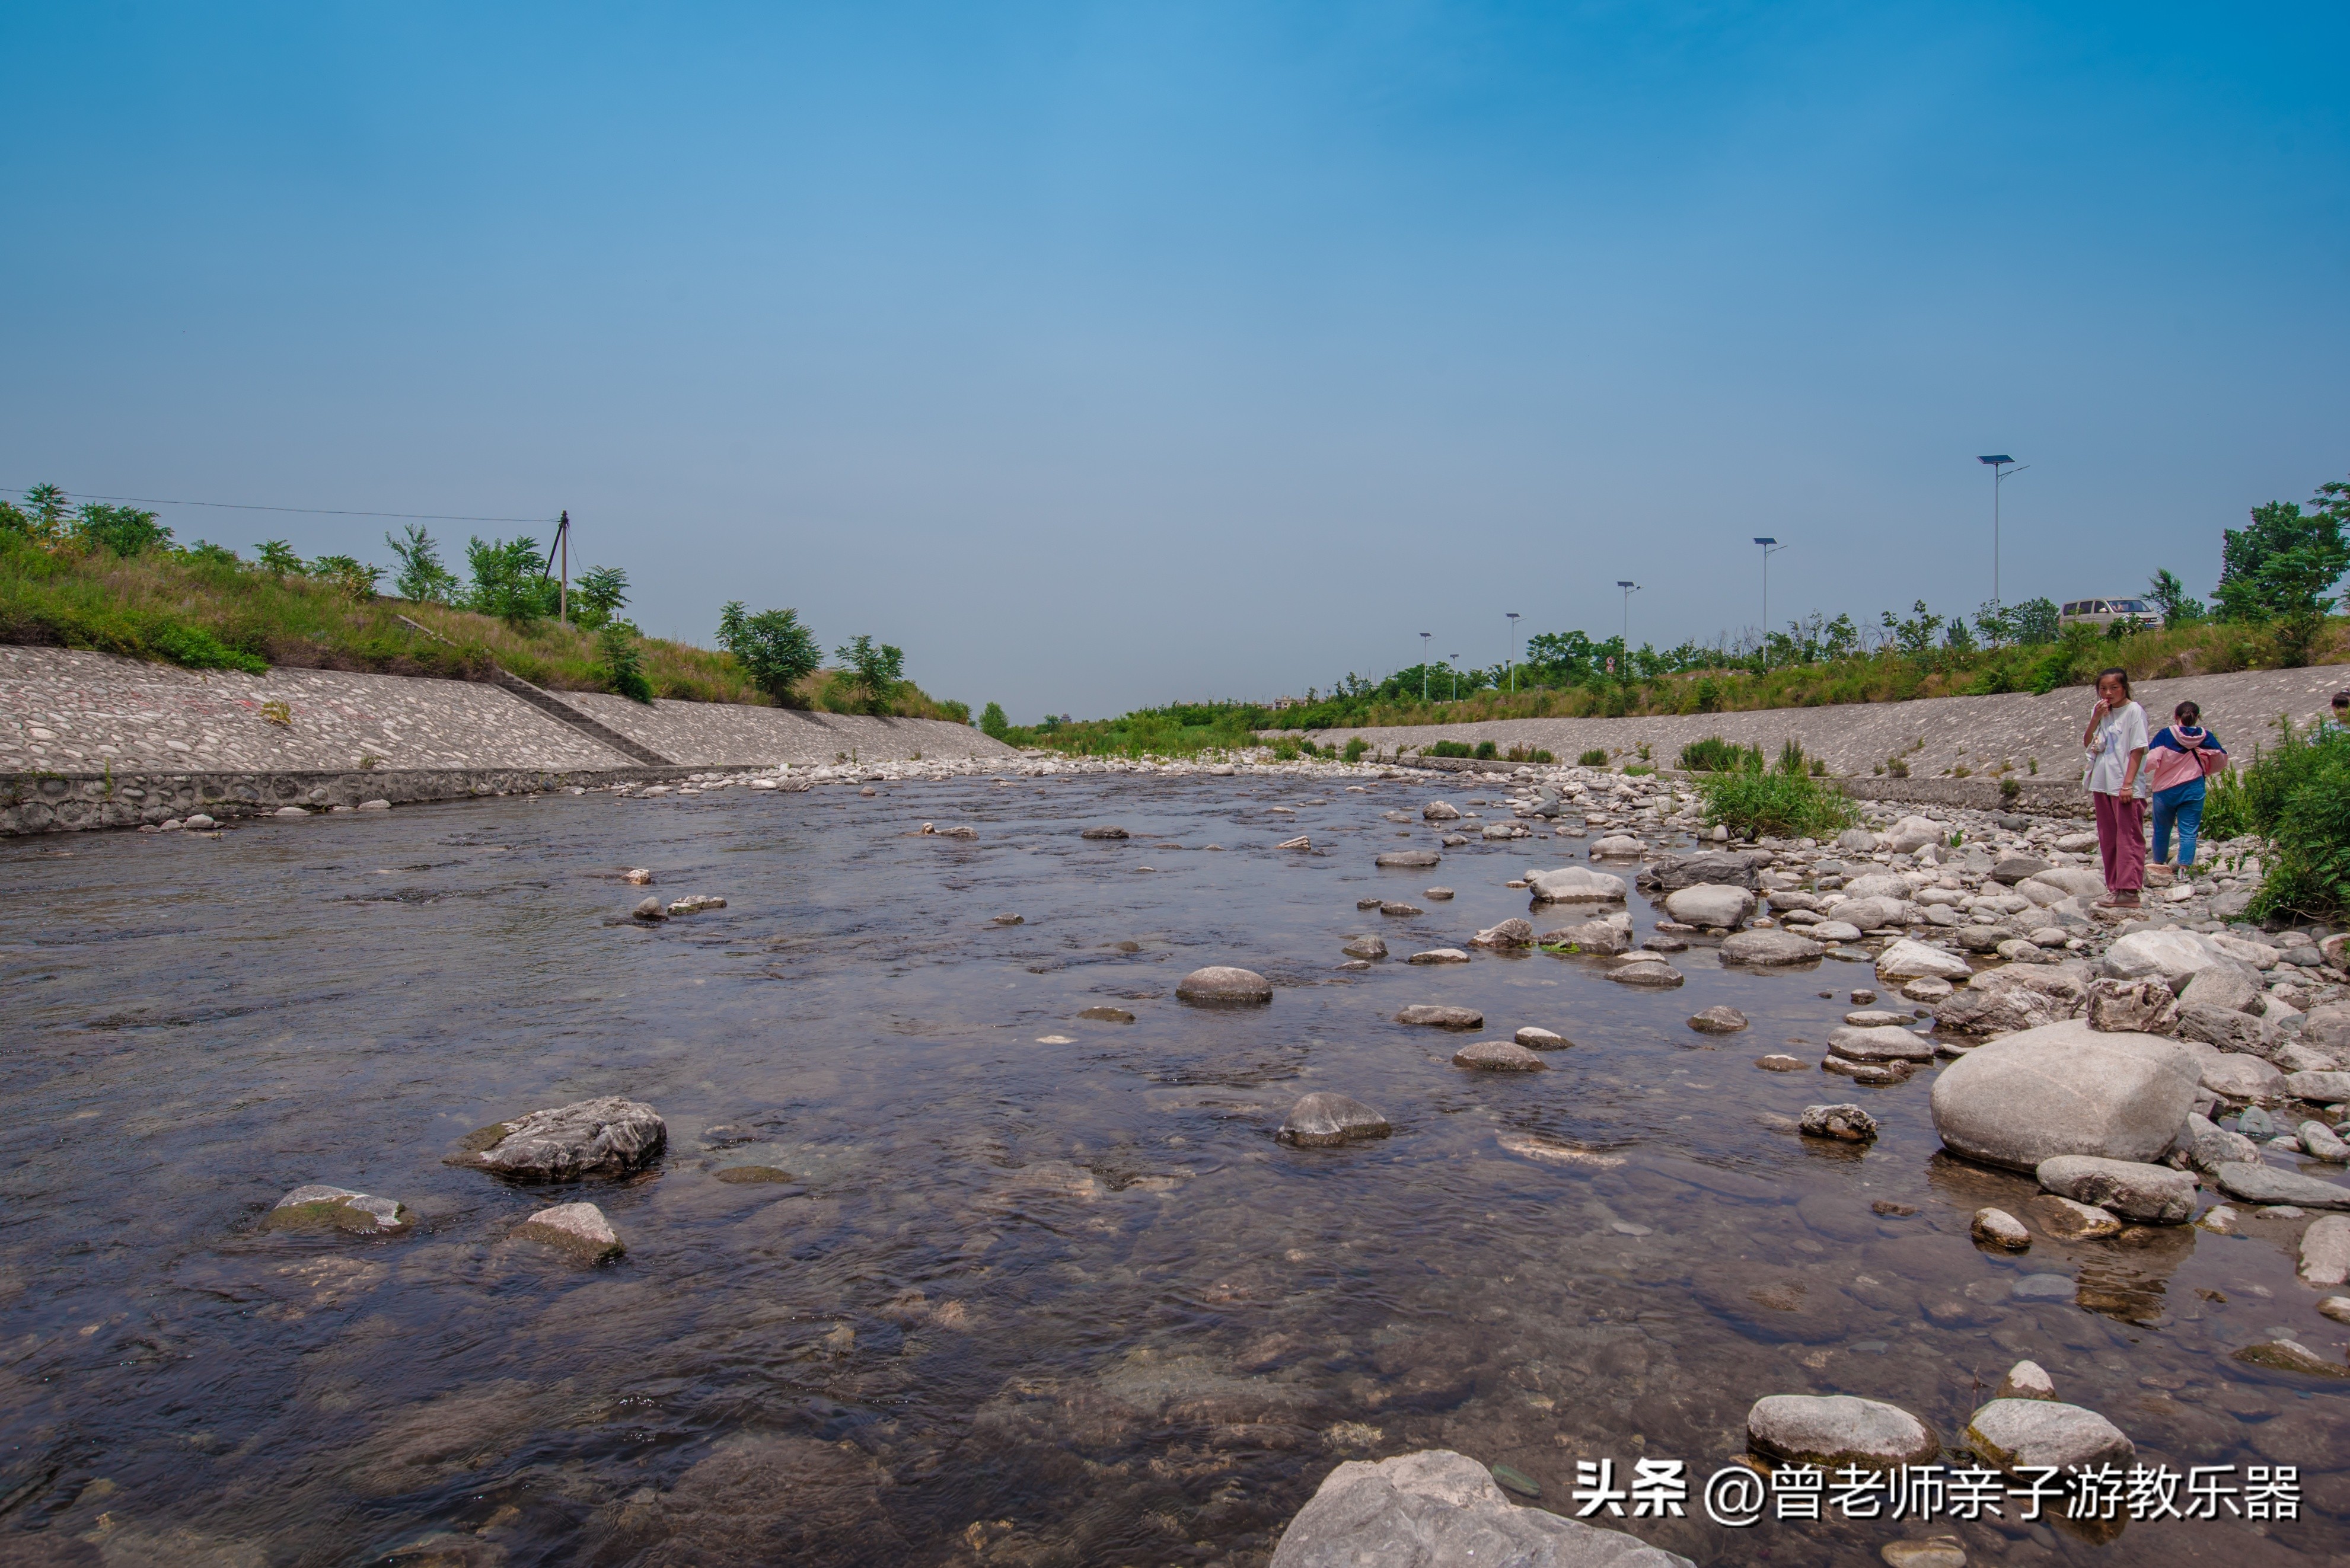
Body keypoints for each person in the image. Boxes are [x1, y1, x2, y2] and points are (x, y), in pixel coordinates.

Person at [2081, 667, 2148, 908]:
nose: (2108, 693)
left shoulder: (2134, 711)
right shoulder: (2101, 711)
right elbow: (2088, 743)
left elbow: (2138, 749)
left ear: (2124, 687)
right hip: (2102, 783)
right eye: (2103, 689)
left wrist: (2128, 784)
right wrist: (2096, 718)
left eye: (2114, 688)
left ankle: (2129, 891)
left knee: (2128, 838)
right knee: (2108, 838)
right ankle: (2114, 888)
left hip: (2124, 786)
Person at [2144, 700, 2225, 872]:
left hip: (2165, 789)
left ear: (2176, 716)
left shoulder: (2166, 735)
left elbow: (2149, 761)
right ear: (2198, 718)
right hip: (2194, 787)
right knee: (2189, 831)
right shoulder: (2206, 736)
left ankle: (2158, 866)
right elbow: (2220, 759)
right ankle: (2183, 870)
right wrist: (2206, 767)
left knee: (2161, 829)